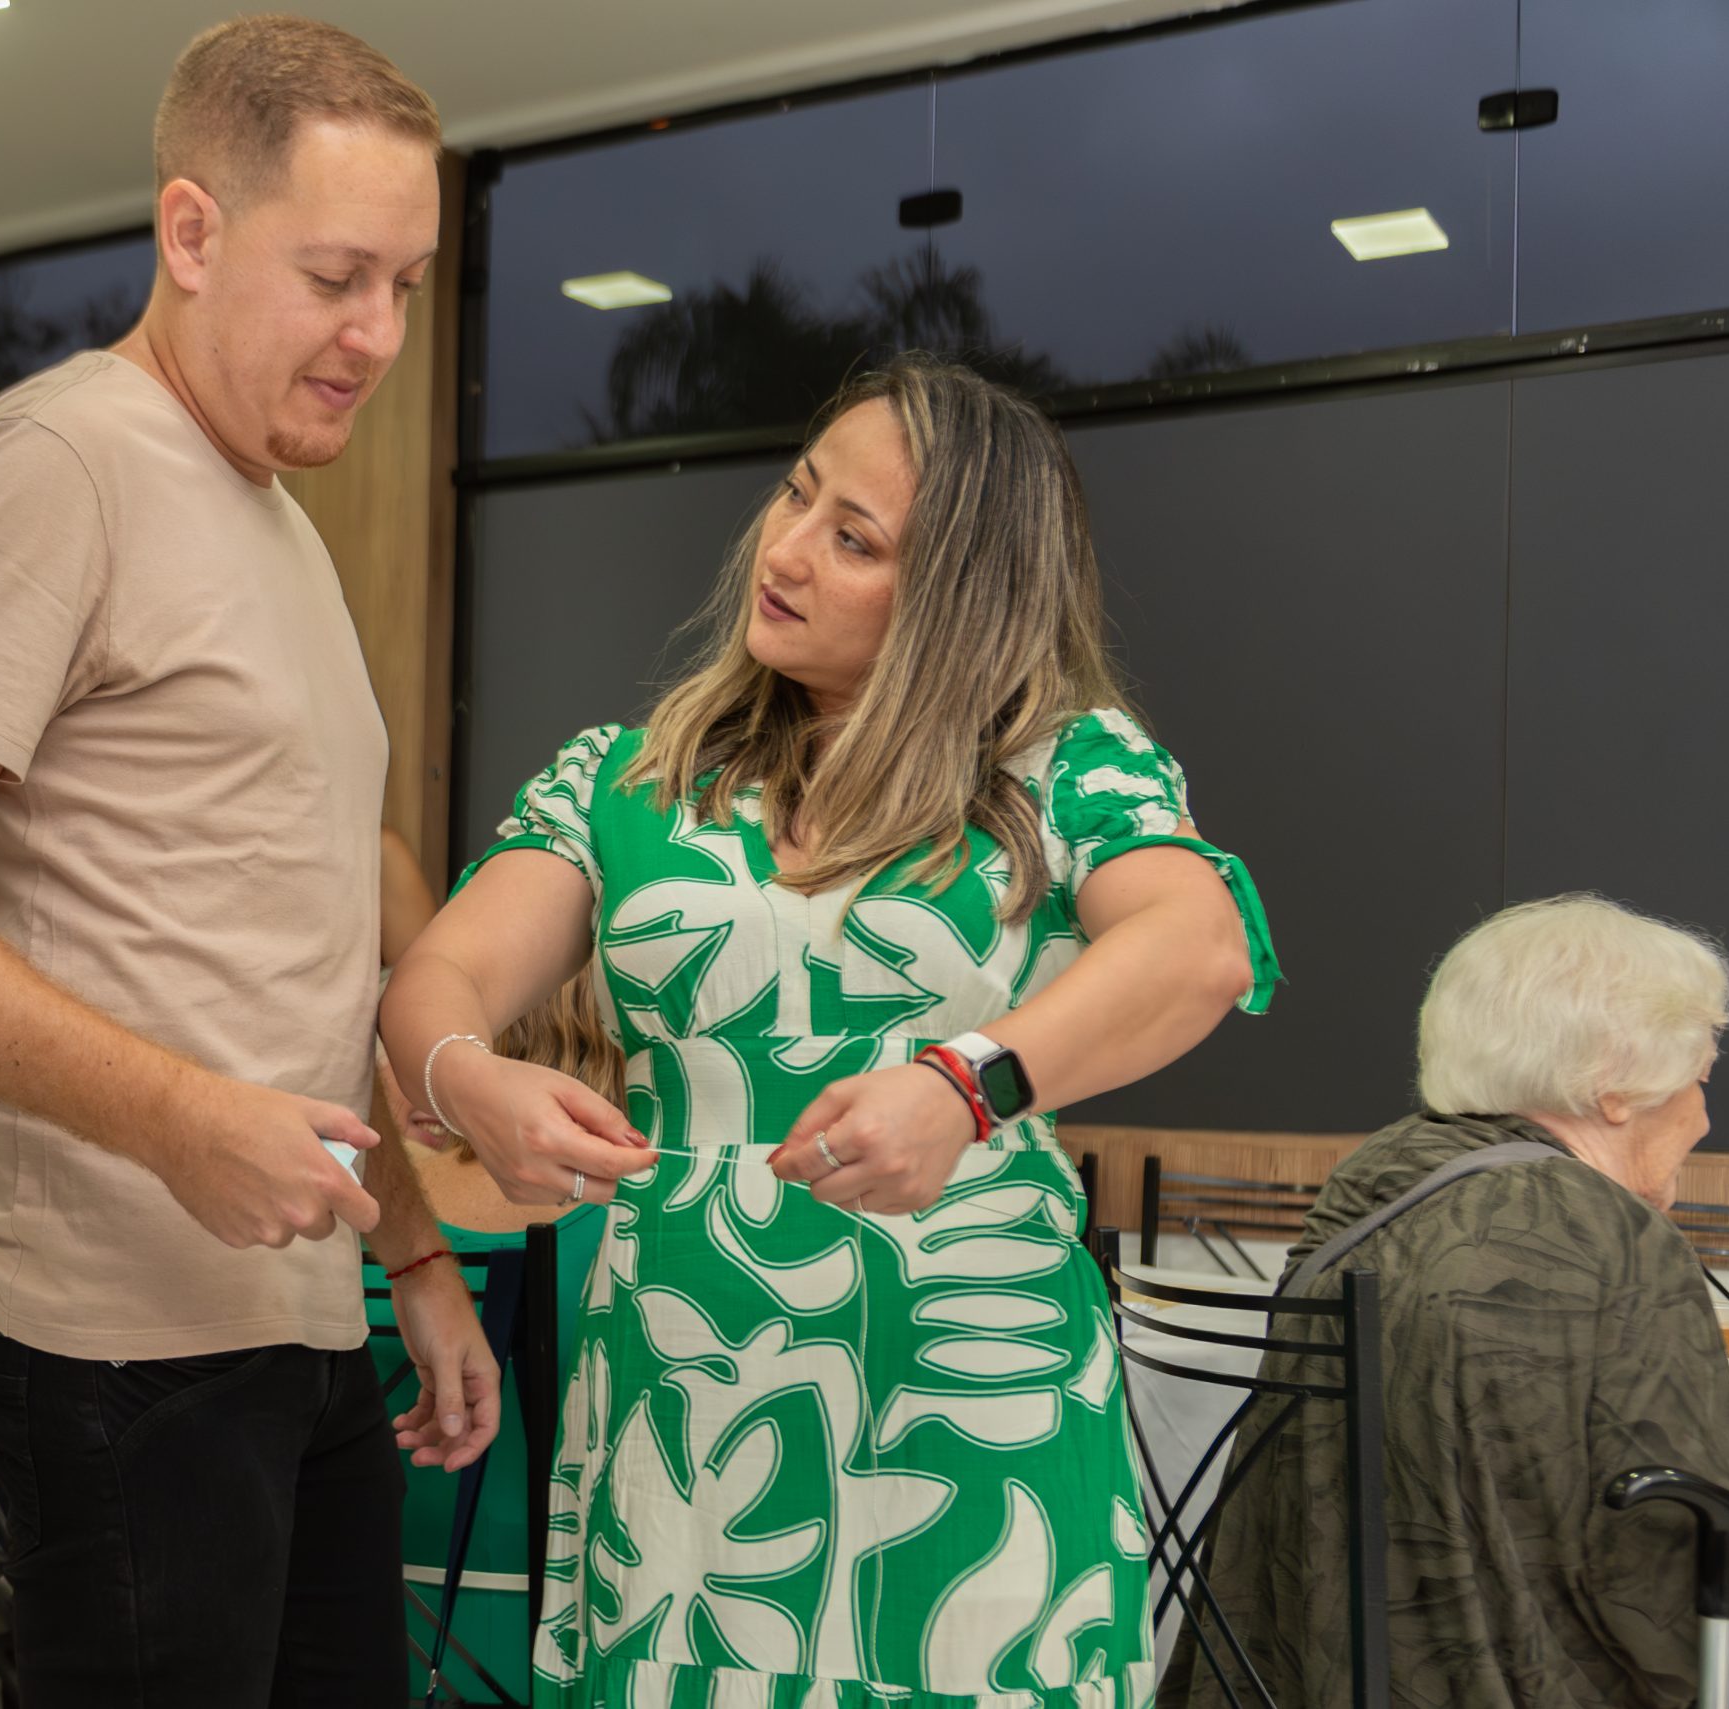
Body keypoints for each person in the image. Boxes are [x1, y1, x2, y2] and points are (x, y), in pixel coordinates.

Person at [0, 18, 495, 1705]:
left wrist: (412, 1252)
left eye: (405, 285)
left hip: (295, 1314)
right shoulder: (63, 465)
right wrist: (174, 1118)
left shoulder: (281, 523)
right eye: (335, 277)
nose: (379, 336)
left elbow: (285, 972)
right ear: (191, 232)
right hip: (104, 1334)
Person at [383, 353, 1278, 1707]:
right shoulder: (628, 778)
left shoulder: (1066, 767)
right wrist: (466, 1078)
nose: (787, 548)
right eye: (796, 495)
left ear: (956, 599)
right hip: (686, 1398)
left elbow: (1199, 945)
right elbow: (436, 977)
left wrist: (966, 1087)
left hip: (971, 1396)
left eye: (854, 539)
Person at [1171, 894, 1729, 1709]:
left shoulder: (1377, 1177)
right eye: (1699, 1079)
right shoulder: (1613, 1239)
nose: (1704, 1115)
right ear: (1615, 1084)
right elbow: (1703, 1617)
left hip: (1292, 1679)